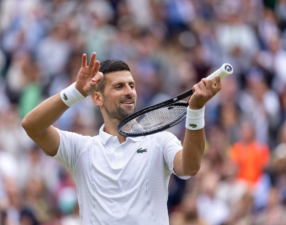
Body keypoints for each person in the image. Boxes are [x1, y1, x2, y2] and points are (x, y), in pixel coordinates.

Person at [22, 52, 221, 224]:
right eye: (119, 86)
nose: (129, 92)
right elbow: (32, 126)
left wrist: (196, 110)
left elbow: (190, 167)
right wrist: (75, 92)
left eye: (131, 85)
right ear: (97, 97)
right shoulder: (81, 148)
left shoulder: (160, 141)